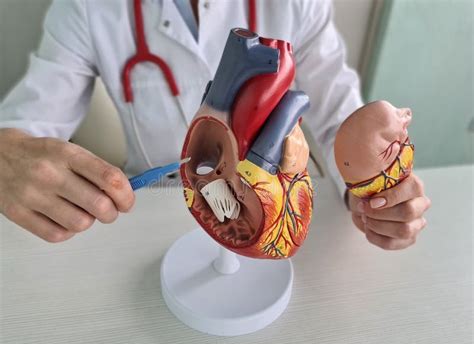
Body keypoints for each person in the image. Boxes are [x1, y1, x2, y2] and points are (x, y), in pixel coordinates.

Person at [0, 0, 430, 249]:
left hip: (269, 206)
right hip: (154, 215)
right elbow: (26, 125)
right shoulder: (88, 8)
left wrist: (373, 193)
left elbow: (342, 121)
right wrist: (8, 156)